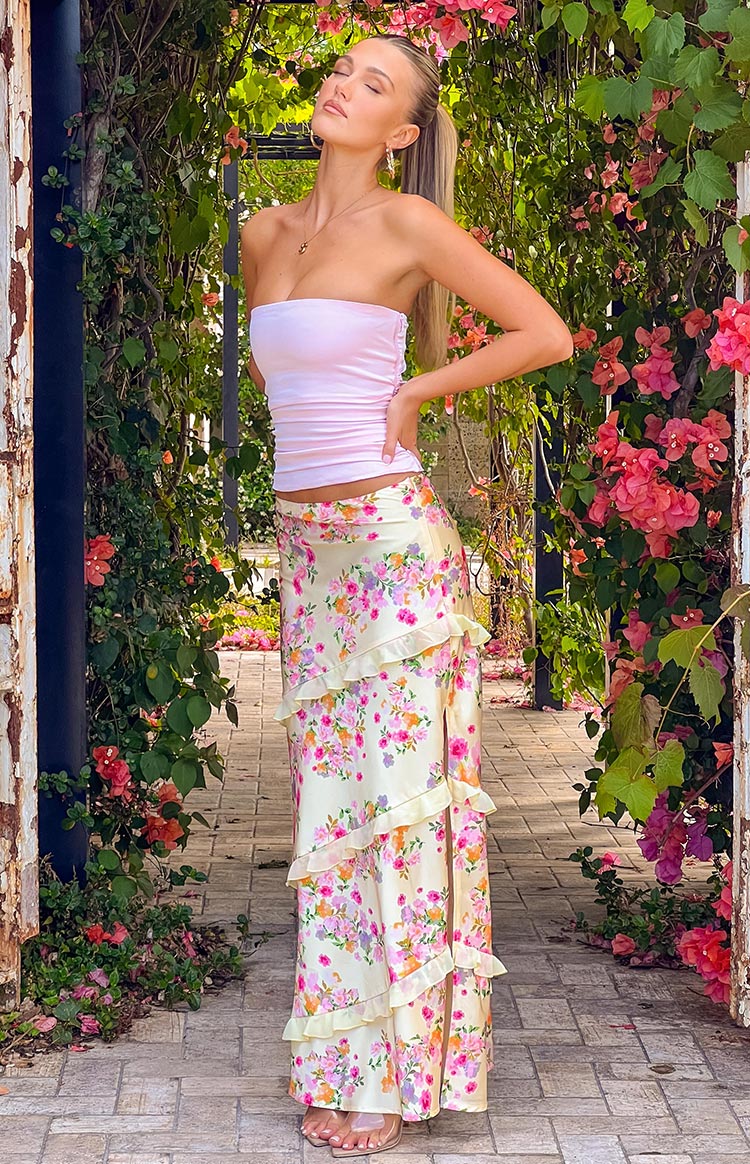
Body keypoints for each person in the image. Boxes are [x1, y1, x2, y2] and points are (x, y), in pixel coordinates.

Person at [241, 32, 573, 1158]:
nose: (344, 85)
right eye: (342, 69)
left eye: (373, 83)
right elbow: (281, 381)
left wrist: (419, 390)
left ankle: (396, 1074)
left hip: (393, 552)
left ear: (405, 131)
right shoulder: (263, 234)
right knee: (330, 820)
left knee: (399, 811)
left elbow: (545, 333)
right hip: (308, 557)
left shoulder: (410, 225)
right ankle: (341, 1059)